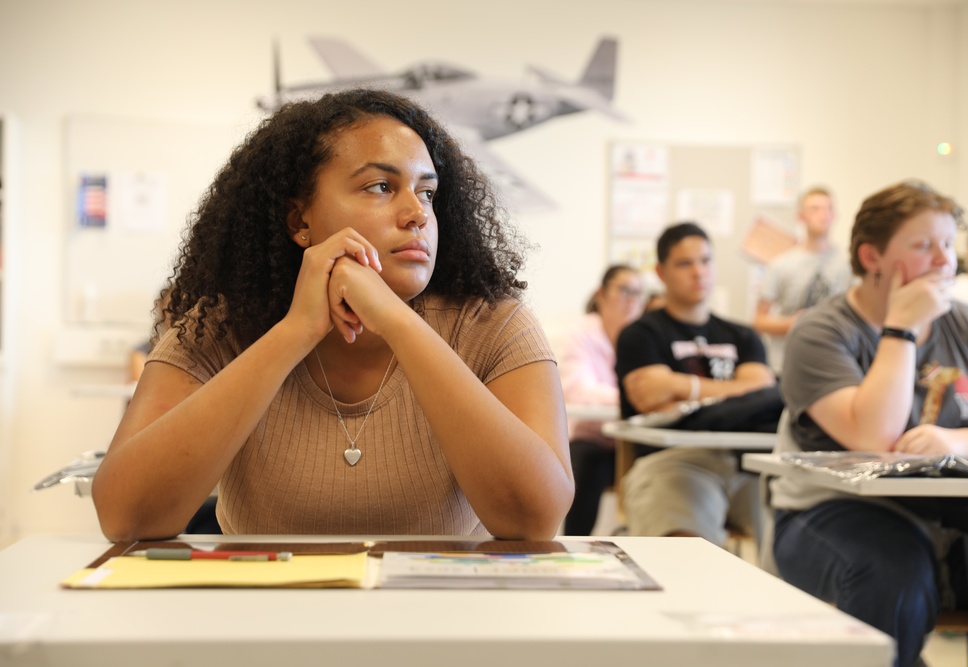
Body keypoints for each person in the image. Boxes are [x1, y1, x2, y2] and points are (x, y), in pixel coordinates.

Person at [92, 89, 574, 542]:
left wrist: (398, 321)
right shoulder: (220, 327)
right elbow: (127, 516)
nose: (418, 214)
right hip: (268, 615)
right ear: (300, 221)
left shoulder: (493, 323)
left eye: (427, 192)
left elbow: (535, 519)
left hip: (442, 616)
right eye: (381, 186)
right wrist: (296, 332)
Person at [769, 180, 968, 667]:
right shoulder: (822, 331)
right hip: (830, 512)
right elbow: (874, 438)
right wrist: (900, 330)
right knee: (892, 573)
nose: (944, 261)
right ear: (871, 256)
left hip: (958, 515)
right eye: (922, 246)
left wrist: (952, 441)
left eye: (946, 244)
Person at [616, 222, 776, 545]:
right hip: (672, 462)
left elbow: (763, 388)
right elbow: (650, 396)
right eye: (685, 263)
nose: (699, 272)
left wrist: (681, 388)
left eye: (706, 261)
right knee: (685, 551)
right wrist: (737, 393)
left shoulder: (743, 335)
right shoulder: (640, 335)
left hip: (749, 464)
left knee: (802, 523)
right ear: (661, 272)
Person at [559, 264, 645, 535]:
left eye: (639, 294)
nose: (632, 301)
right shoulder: (581, 333)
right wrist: (635, 398)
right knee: (587, 462)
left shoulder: (646, 336)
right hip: (593, 438)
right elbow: (580, 392)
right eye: (624, 291)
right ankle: (571, 549)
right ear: (602, 294)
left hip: (636, 441)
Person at [752, 186, 853, 372]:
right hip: (787, 366)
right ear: (801, 216)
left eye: (828, 208)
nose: (823, 214)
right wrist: (792, 323)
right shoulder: (780, 264)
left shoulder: (849, 264)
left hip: (834, 363)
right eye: (815, 209)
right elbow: (759, 320)